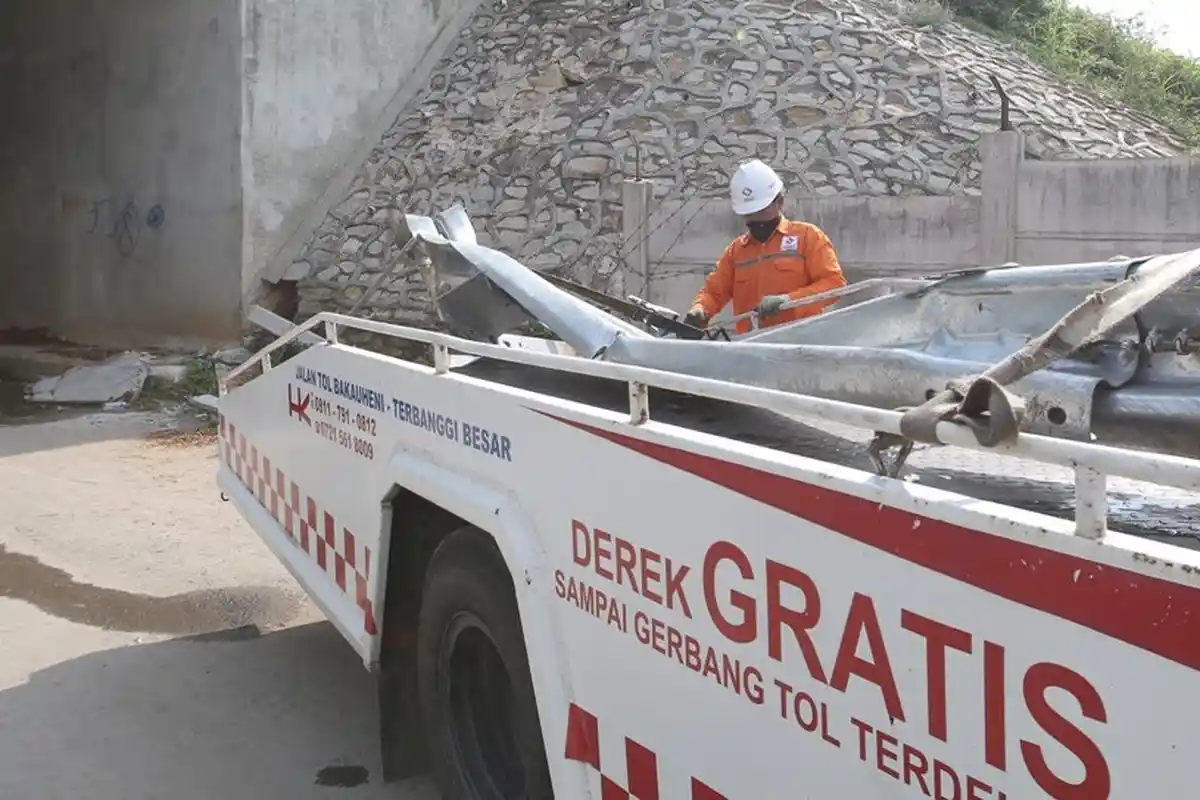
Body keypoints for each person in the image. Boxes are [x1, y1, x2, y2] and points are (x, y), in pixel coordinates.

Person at [683, 159, 847, 335]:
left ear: (780, 202)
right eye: (749, 213)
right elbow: (713, 293)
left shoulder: (808, 237)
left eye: (761, 210)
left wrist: (789, 300)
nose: (756, 218)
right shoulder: (736, 252)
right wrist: (700, 309)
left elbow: (834, 285)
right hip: (752, 347)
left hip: (801, 344)